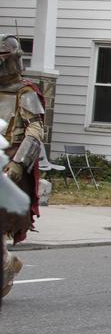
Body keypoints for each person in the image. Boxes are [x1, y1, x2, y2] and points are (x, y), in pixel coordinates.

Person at [0, 34, 45, 301]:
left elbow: (36, 131)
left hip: (10, 160)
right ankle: (7, 264)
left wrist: (18, 164)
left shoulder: (24, 92)